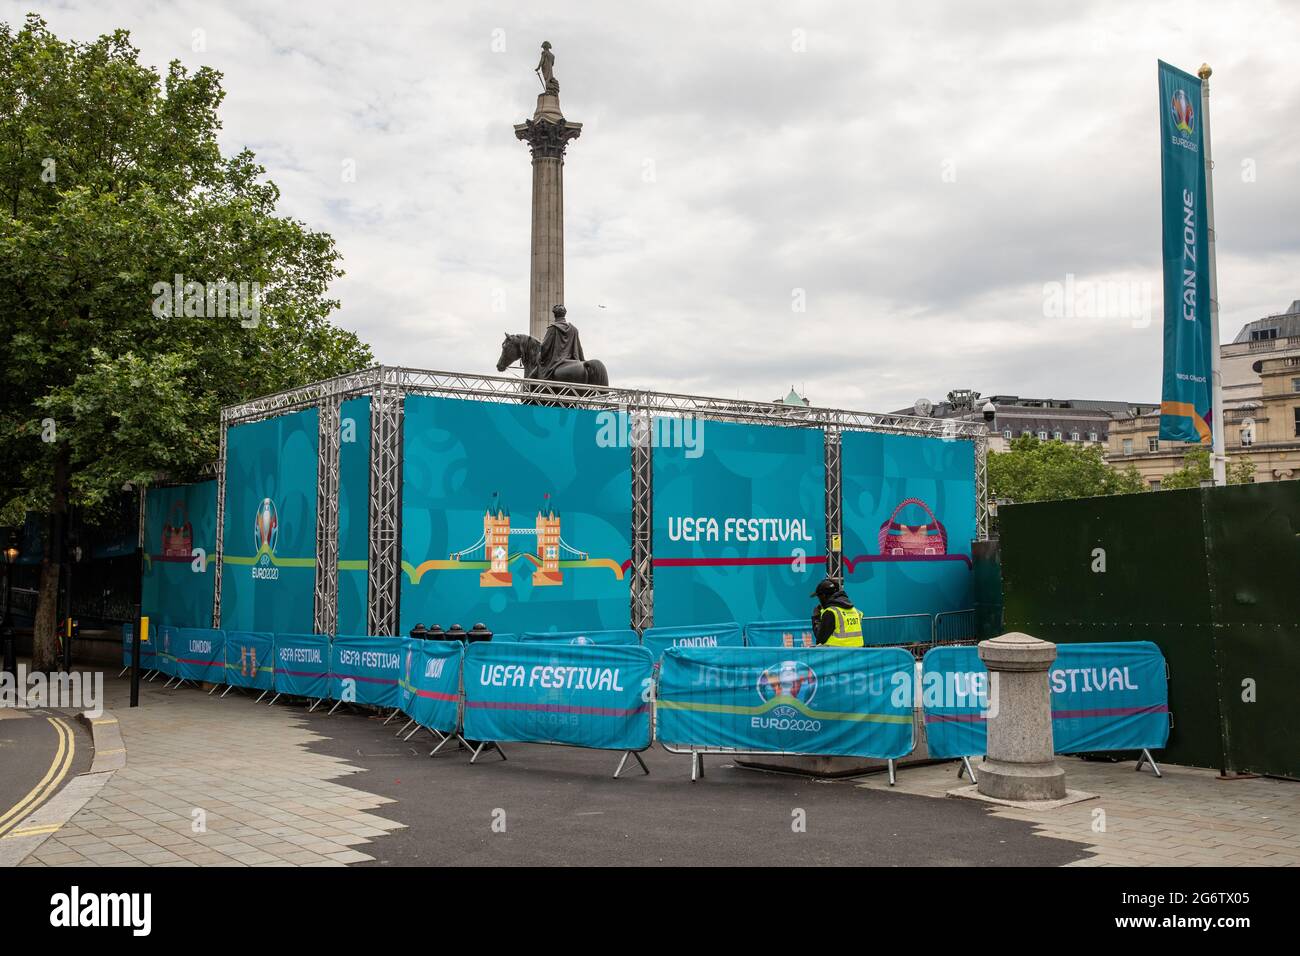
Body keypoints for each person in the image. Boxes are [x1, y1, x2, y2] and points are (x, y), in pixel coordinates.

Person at [809, 577, 864, 647]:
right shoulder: (854, 610)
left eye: (819, 597)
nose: (819, 600)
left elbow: (820, 638)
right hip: (858, 653)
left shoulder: (831, 612)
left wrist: (816, 617)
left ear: (823, 596)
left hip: (837, 653)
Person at [538, 303, 584, 378]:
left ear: (554, 315)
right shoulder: (574, 329)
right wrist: (582, 361)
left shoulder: (552, 328)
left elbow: (544, 347)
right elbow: (579, 348)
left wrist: (540, 357)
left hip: (555, 361)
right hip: (573, 359)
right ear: (564, 314)